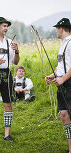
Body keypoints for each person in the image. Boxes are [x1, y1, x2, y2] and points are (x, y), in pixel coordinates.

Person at [45, 18, 71, 153]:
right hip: (62, 82)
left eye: (57, 28)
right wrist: (53, 75)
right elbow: (62, 66)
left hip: (69, 83)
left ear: (61, 28)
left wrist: (63, 79)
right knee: (63, 114)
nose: (56, 31)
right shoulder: (62, 44)